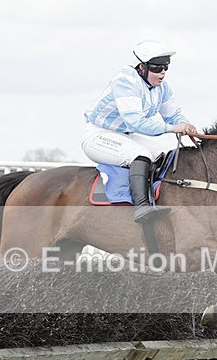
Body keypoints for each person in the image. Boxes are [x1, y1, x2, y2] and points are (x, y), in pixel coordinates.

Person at [81, 40, 198, 224]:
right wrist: (173, 128)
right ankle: (142, 207)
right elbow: (135, 122)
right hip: (98, 135)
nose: (162, 73)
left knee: (166, 153)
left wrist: (185, 124)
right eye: (157, 68)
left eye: (165, 68)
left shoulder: (161, 86)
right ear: (142, 67)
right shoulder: (126, 81)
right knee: (141, 155)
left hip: (125, 135)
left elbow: (173, 114)